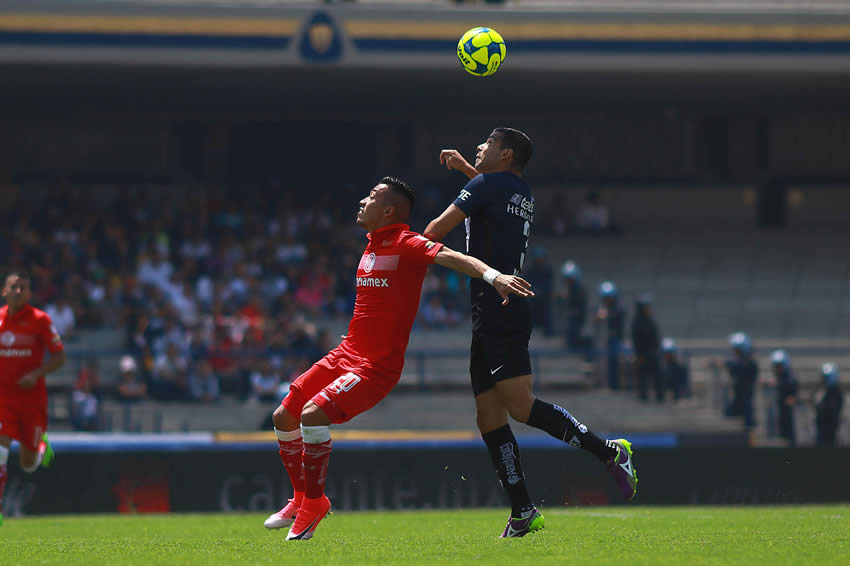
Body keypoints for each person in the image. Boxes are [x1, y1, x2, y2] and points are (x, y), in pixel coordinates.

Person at [263, 177, 534, 541]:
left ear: (388, 209)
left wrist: (493, 275)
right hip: (345, 354)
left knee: (312, 415)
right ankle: (300, 498)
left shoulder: (408, 244)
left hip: (376, 367)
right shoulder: (371, 246)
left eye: (371, 196)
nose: (362, 200)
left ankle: (315, 504)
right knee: (283, 415)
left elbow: (453, 256)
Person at [424, 129, 637, 538]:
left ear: (504, 154)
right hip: (493, 310)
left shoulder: (487, 185)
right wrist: (468, 172)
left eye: (485, 144)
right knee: (489, 416)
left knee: (519, 407)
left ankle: (609, 451)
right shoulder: (518, 190)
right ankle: (522, 510)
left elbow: (434, 231)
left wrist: (398, 244)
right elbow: (488, 198)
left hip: (500, 308)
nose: (478, 148)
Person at [0, 272, 64, 526]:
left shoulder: (40, 320)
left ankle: (40, 447)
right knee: (0, 450)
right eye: (13, 287)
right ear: (4, 291)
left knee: (28, 465)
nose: (18, 292)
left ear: (28, 294)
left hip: (31, 401)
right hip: (3, 399)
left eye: (22, 288)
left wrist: (36, 374)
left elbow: (60, 357)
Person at [713, 333, 759, 445]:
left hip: (746, 401)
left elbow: (738, 367)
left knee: (748, 427)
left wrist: (724, 363)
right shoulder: (739, 362)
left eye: (738, 350)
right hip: (736, 399)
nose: (735, 352)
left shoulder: (751, 363)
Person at [596, 281, 626, 391]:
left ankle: (615, 385)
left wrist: (607, 315)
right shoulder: (602, 307)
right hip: (605, 339)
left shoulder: (618, 308)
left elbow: (618, 319)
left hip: (615, 339)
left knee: (615, 362)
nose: (607, 300)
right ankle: (606, 384)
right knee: (605, 362)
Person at [631, 295, 661, 401]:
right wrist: (639, 355)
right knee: (643, 378)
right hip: (642, 355)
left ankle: (659, 397)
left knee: (657, 377)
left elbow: (655, 338)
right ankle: (643, 397)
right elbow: (637, 341)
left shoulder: (650, 321)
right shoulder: (637, 323)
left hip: (653, 354)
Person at [768, 350, 797, 446]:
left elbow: (792, 389)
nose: (777, 368)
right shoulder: (779, 377)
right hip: (779, 412)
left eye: (779, 365)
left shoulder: (789, 377)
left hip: (787, 413)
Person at [557, 261, 587, 353]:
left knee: (573, 328)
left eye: (571, 279)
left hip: (577, 318)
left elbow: (580, 306)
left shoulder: (579, 290)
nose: (569, 281)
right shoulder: (566, 289)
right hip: (568, 317)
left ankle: (575, 348)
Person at [815, 363, 843, 446]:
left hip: (831, 424)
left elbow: (834, 408)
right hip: (821, 423)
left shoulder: (836, 392)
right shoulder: (820, 389)